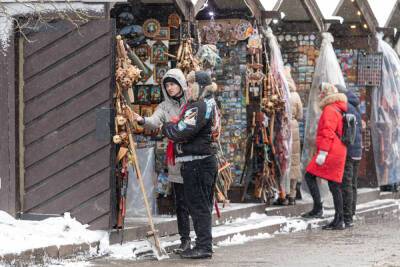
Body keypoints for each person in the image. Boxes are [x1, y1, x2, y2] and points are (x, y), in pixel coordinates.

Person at [162, 70, 220, 259]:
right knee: (202, 205)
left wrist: (167, 127)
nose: (186, 89)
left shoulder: (198, 105)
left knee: (198, 206)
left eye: (189, 85)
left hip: (197, 163)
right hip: (203, 162)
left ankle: (203, 246)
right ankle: (202, 244)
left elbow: (182, 131)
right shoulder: (209, 103)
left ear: (197, 86)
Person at [132, 68, 191, 254]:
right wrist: (141, 119)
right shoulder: (164, 107)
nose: (170, 88)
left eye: (173, 84)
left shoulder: (192, 103)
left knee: (196, 202)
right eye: (167, 85)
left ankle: (203, 238)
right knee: (181, 203)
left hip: (195, 159)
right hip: (176, 160)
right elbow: (154, 121)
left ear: (181, 83)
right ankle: (185, 240)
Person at [301, 83, 348, 231]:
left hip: (330, 151)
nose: (319, 95)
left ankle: (321, 210)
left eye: (321, 93)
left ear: (326, 94)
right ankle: (338, 218)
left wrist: (323, 153)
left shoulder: (329, 109)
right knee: (334, 185)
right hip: (336, 150)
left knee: (311, 176)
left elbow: (327, 132)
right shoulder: (337, 108)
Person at [336, 84, 363, 228]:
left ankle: (347, 218)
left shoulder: (346, 108)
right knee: (352, 184)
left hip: (349, 151)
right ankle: (351, 213)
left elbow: (346, 132)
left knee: (346, 184)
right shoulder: (355, 107)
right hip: (357, 151)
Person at [285, 66, 303, 205]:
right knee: (295, 162)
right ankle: (292, 194)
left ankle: (282, 193)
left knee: (284, 161)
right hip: (294, 126)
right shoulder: (296, 96)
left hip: (283, 127)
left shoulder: (281, 94)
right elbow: (300, 115)